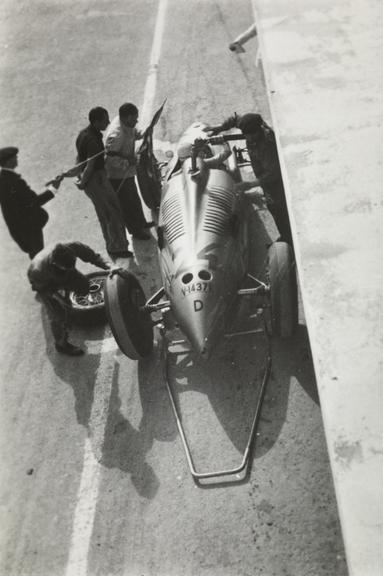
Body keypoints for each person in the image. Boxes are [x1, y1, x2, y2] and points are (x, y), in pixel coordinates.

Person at [205, 113, 293, 245]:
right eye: (244, 133)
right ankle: (285, 236)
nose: (246, 137)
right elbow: (235, 119)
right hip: (264, 176)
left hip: (275, 185)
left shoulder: (267, 146)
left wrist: (250, 184)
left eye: (249, 135)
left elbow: (274, 174)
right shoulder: (250, 125)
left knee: (278, 209)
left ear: (257, 131)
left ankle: (288, 240)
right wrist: (220, 128)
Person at [28, 241, 110, 355]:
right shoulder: (38, 271)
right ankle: (61, 345)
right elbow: (42, 289)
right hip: (47, 284)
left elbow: (91, 256)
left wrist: (108, 266)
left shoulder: (71, 247)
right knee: (58, 315)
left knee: (84, 287)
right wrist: (58, 296)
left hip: (65, 273)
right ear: (56, 264)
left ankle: (68, 299)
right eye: (67, 267)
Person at [75, 107, 132, 258]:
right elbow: (90, 165)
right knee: (112, 213)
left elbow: (79, 160)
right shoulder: (94, 141)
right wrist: (84, 181)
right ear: (96, 122)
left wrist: (80, 177)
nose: (108, 122)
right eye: (104, 120)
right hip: (96, 180)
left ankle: (112, 245)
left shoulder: (83, 135)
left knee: (104, 214)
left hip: (91, 180)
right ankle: (117, 248)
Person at [0, 147, 62, 258]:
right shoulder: (15, 181)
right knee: (38, 258)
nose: (17, 159)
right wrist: (53, 189)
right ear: (9, 161)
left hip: (20, 229)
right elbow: (34, 201)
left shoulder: (4, 179)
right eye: (15, 157)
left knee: (37, 258)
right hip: (29, 228)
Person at [105, 103, 152, 240]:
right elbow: (109, 159)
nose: (136, 121)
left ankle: (141, 223)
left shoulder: (126, 124)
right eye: (134, 119)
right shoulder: (116, 135)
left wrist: (142, 133)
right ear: (126, 118)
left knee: (135, 199)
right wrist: (128, 162)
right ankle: (136, 231)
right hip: (118, 177)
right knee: (127, 205)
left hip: (127, 173)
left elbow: (133, 132)